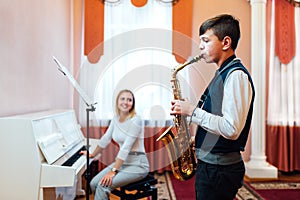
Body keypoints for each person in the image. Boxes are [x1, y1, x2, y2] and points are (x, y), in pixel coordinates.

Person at [170, 14, 255, 200]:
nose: (200, 46)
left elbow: (231, 128)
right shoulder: (223, 73)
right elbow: (218, 118)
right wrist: (199, 139)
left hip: (219, 170)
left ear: (226, 42)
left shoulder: (235, 76)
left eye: (205, 40)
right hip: (213, 166)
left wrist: (191, 111)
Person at [81, 89, 149, 200]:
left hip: (138, 164)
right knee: (93, 184)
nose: (126, 102)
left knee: (103, 186)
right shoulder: (115, 119)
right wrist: (92, 154)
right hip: (124, 162)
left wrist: (113, 171)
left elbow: (126, 148)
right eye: (123, 99)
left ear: (133, 104)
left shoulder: (136, 120)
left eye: (129, 100)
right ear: (117, 102)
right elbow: (106, 138)